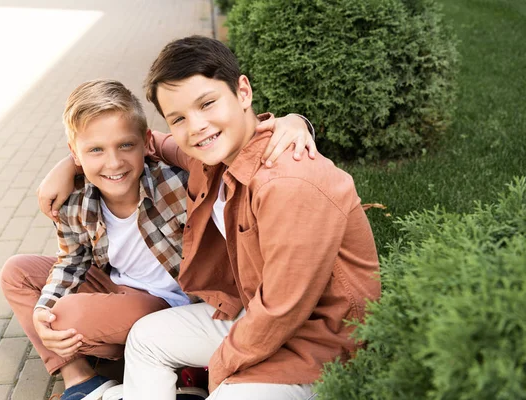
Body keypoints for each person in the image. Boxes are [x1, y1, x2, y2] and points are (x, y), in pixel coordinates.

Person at [100, 35, 382, 400]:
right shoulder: (211, 156)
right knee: (146, 338)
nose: (196, 126)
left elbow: (282, 310)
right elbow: (148, 140)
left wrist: (222, 368)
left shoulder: (287, 183)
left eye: (207, 103)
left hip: (323, 347)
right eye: (179, 118)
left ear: (243, 92)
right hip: (257, 316)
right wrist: (71, 162)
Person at [2, 79, 315, 400]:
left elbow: (233, 154)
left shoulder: (175, 184)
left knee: (66, 316)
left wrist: (292, 122)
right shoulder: (76, 199)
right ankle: (80, 379)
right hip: (117, 288)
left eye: (126, 145)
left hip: (167, 305)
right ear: (75, 154)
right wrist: (44, 308)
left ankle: (171, 367)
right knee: (19, 273)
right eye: (95, 150)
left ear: (146, 143)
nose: (113, 163)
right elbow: (70, 261)